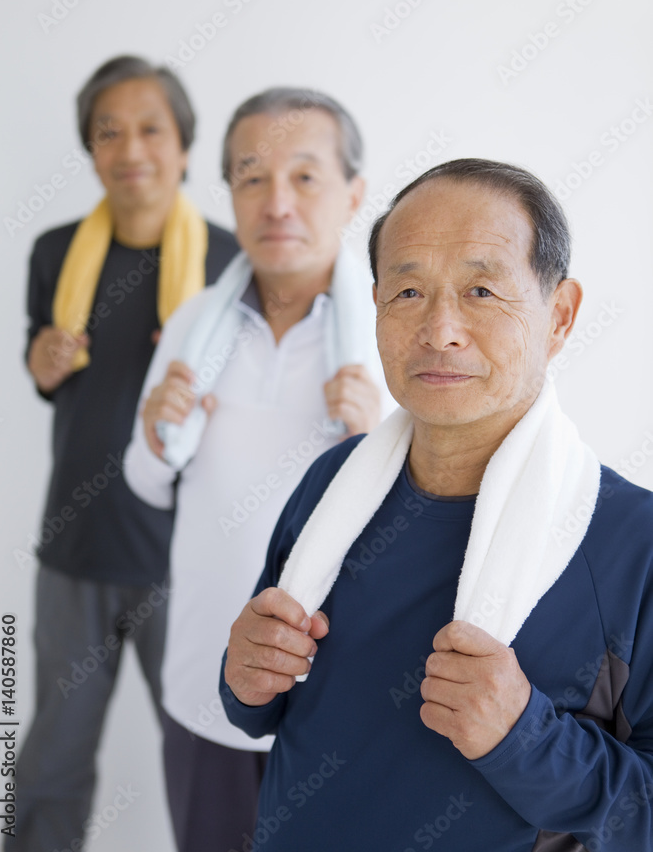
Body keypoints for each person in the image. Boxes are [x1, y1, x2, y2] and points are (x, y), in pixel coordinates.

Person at [222, 158, 653, 852]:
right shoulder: (334, 481)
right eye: (408, 291)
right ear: (377, 307)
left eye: (481, 290)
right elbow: (260, 707)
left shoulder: (632, 543)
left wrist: (523, 738)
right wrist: (242, 678)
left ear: (560, 315)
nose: (440, 329)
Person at [124, 87, 394, 852]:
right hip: (201, 683)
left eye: (304, 176)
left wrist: (373, 437)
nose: (276, 203)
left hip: (337, 699)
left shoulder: (393, 333)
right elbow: (146, 483)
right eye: (251, 177)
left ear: (353, 195)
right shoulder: (193, 324)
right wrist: (154, 440)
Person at [9, 56, 238, 852]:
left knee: (208, 757)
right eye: (108, 132)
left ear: (184, 146)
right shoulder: (54, 254)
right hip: (75, 550)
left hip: (189, 557)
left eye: (150, 129)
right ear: (90, 149)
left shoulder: (228, 262)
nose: (130, 148)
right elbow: (49, 371)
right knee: (51, 757)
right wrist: (41, 364)